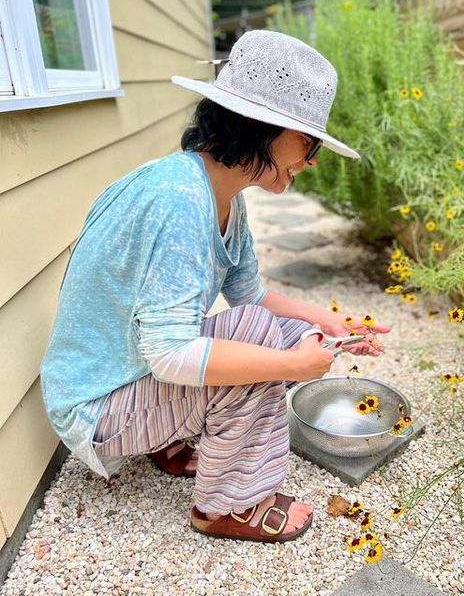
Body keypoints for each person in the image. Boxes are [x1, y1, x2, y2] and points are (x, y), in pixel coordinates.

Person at [40, 30, 390, 543]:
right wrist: (291, 366)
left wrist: (327, 324)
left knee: (268, 331)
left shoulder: (216, 193)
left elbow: (250, 295)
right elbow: (170, 357)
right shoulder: (178, 201)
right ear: (261, 128)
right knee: (261, 354)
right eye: (307, 143)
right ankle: (226, 506)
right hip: (96, 407)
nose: (312, 160)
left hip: (120, 374)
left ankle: (169, 439)